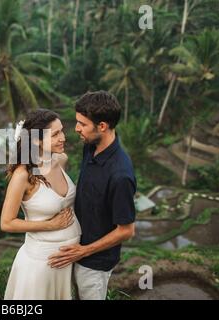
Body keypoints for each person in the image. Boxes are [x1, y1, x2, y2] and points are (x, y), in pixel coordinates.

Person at [48, 91, 136, 300]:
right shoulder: (91, 146)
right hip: (74, 250)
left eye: (82, 124)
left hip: (94, 265)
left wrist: (84, 251)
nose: (76, 128)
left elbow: (126, 230)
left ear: (102, 126)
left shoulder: (120, 175)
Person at [1, 109, 81, 300]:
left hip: (70, 261)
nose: (63, 137)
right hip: (41, 264)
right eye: (55, 134)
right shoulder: (23, 176)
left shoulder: (60, 160)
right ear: (36, 140)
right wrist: (50, 225)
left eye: (61, 131)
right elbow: (7, 222)